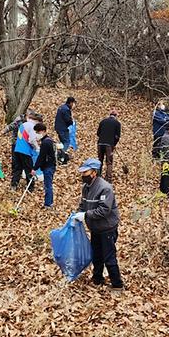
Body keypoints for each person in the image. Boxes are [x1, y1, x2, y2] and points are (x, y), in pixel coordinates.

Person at [73, 158, 123, 290]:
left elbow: (104, 210)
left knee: (109, 257)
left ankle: (117, 285)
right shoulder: (86, 187)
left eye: (85, 172)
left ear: (94, 172)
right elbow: (83, 205)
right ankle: (97, 278)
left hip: (107, 228)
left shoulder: (105, 188)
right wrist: (77, 215)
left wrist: (85, 215)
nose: (83, 175)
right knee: (96, 255)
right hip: (95, 228)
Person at [11, 112, 42, 190]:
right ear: (37, 121)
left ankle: (14, 185)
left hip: (17, 150)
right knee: (29, 169)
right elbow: (31, 140)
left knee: (17, 169)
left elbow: (24, 136)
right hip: (25, 151)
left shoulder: (23, 125)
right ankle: (30, 188)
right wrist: (37, 148)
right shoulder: (32, 126)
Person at [33, 122, 56, 208]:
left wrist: (34, 168)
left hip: (48, 166)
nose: (37, 135)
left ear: (43, 131)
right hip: (50, 166)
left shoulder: (46, 143)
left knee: (48, 186)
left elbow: (41, 157)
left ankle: (48, 204)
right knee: (48, 185)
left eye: (38, 133)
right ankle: (50, 202)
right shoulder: (49, 140)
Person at [96, 109, 121, 182]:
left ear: (110, 115)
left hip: (100, 144)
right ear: (116, 116)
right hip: (109, 145)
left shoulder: (103, 121)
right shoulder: (117, 123)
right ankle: (108, 178)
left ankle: (98, 175)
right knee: (109, 162)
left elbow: (98, 133)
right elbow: (117, 136)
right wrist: (114, 144)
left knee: (100, 160)